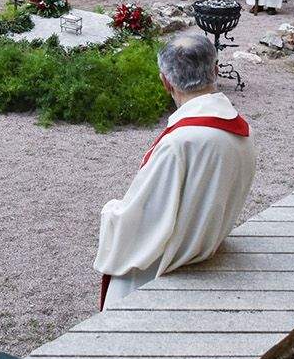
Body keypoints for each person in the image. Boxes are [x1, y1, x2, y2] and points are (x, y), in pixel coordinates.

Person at [94, 34, 254, 310]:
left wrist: (111, 211)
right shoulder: (241, 130)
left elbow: (143, 219)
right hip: (206, 247)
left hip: (165, 268)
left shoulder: (179, 144)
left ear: (165, 81)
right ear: (216, 71)